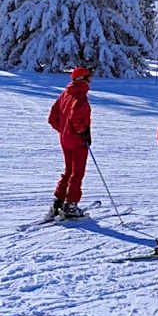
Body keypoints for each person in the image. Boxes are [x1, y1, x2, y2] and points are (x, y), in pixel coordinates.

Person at [46, 67, 93, 219]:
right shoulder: (80, 96)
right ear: (83, 79)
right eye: (89, 78)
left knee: (69, 171)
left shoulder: (66, 93)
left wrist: (64, 131)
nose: (91, 81)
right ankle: (71, 205)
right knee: (77, 173)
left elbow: (53, 117)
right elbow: (77, 117)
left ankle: (58, 201)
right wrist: (82, 132)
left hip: (65, 140)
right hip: (77, 141)